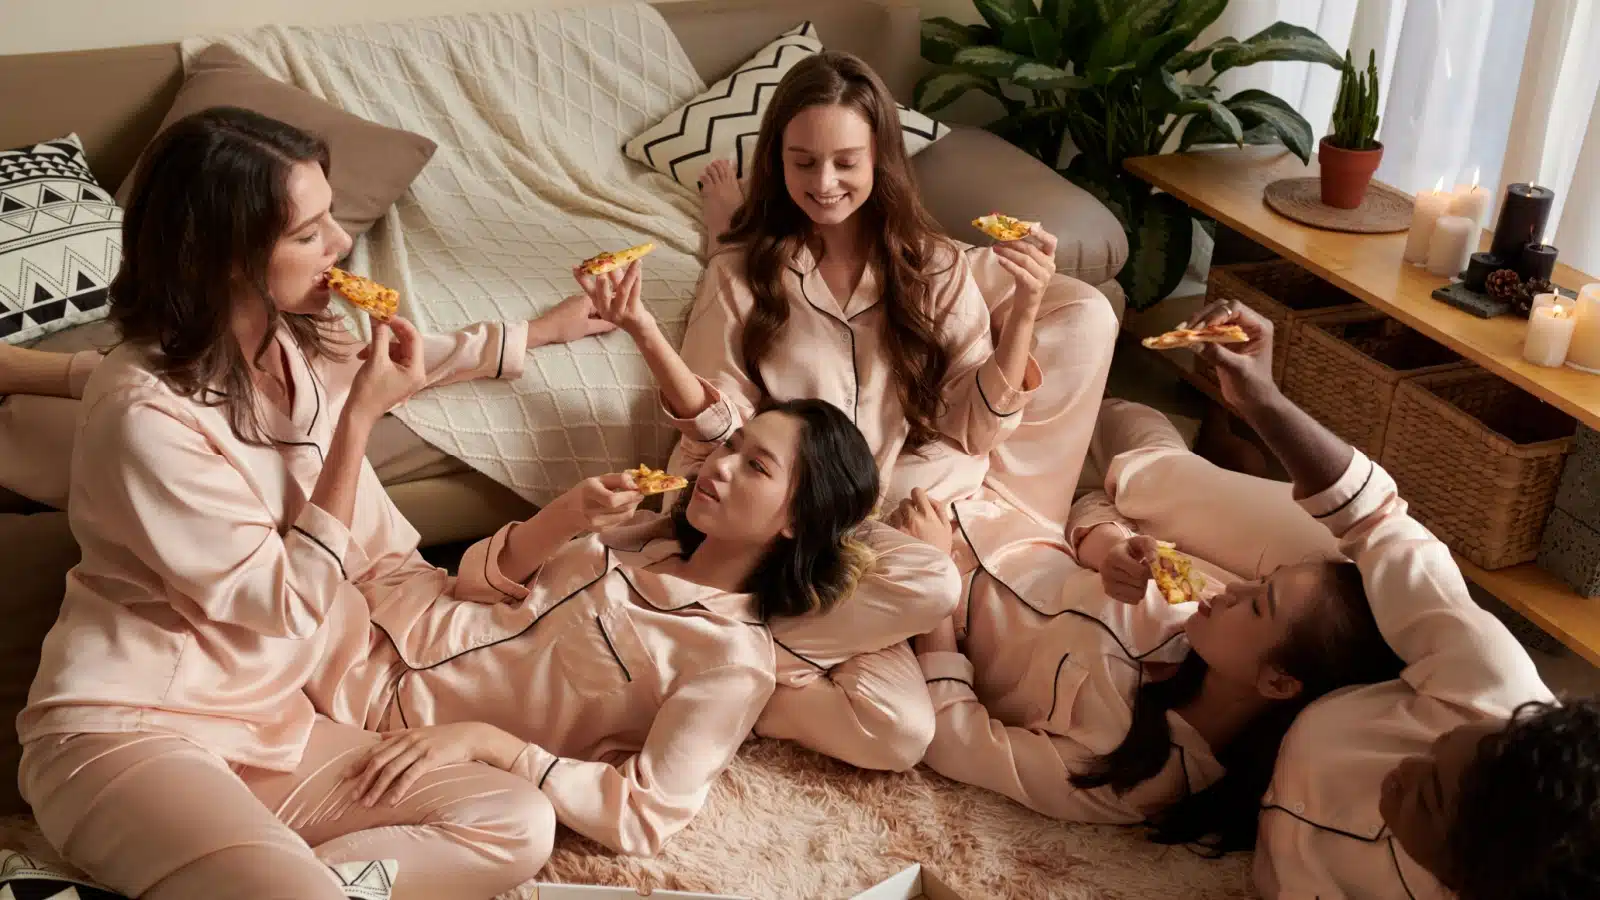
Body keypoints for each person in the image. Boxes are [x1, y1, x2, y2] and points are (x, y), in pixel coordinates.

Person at [14, 107, 606, 900]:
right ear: (226, 258)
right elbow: (286, 604)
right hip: (129, 735)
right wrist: (358, 421)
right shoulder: (140, 413)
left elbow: (400, 358)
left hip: (271, 729)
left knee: (513, 818)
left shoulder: (293, 342)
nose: (341, 247)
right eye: (308, 234)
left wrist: (534, 333)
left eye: (332, 220)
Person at [578, 50, 1115, 772]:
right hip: (790, 530)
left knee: (899, 735)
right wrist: (652, 331)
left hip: (886, 521)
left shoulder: (938, 268)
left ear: (881, 161)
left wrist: (1022, 311)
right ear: (779, 162)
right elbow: (718, 429)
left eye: (845, 163)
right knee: (925, 593)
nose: (824, 184)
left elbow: (973, 427)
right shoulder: (740, 276)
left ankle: (734, 669)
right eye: (802, 164)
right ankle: (729, 657)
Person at [310, 399, 960, 856]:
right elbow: (471, 588)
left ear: (799, 521)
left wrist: (488, 744)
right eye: (733, 446)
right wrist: (563, 517)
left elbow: (644, 814)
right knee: (314, 421)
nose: (721, 466)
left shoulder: (730, 663)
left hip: (378, 712)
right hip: (383, 607)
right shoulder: (640, 537)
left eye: (757, 466)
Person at [1171, 303, 1594, 899]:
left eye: (1429, 794)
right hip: (1332, 602)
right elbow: (1379, 524)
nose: (1408, 767)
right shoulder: (1492, 687)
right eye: (1445, 746)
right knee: (1150, 478)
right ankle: (1183, 446)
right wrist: (1261, 400)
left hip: (1274, 680)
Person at [911, 388, 1405, 842]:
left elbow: (956, 741)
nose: (1234, 587)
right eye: (1260, 581)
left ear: (1277, 683)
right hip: (1002, 497)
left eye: (1258, 603)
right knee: (1095, 343)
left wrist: (931, 580)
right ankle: (1191, 444)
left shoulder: (1139, 776)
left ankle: (1201, 447)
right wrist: (1109, 548)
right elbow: (1095, 505)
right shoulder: (1195, 602)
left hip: (914, 564)